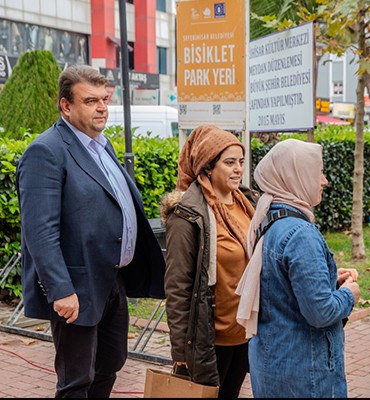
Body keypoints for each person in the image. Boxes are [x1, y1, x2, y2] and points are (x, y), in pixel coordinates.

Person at [16, 64, 166, 397]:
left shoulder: (101, 145)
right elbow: (39, 231)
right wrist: (60, 290)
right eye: (90, 101)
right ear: (66, 106)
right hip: (75, 288)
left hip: (112, 280)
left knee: (111, 362)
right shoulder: (46, 151)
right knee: (76, 379)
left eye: (104, 99)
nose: (101, 108)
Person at [235, 138, 361, 398]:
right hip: (305, 374)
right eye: (319, 172)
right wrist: (350, 294)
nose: (325, 180)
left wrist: (328, 281)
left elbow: (279, 287)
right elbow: (321, 313)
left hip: (274, 364)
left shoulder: (267, 219)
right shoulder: (301, 233)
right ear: (296, 176)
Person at [161, 125, 258, 398]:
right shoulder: (187, 215)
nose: (238, 169)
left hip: (244, 334)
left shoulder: (246, 202)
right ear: (207, 167)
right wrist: (181, 348)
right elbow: (177, 284)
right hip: (209, 339)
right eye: (229, 163)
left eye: (240, 162)